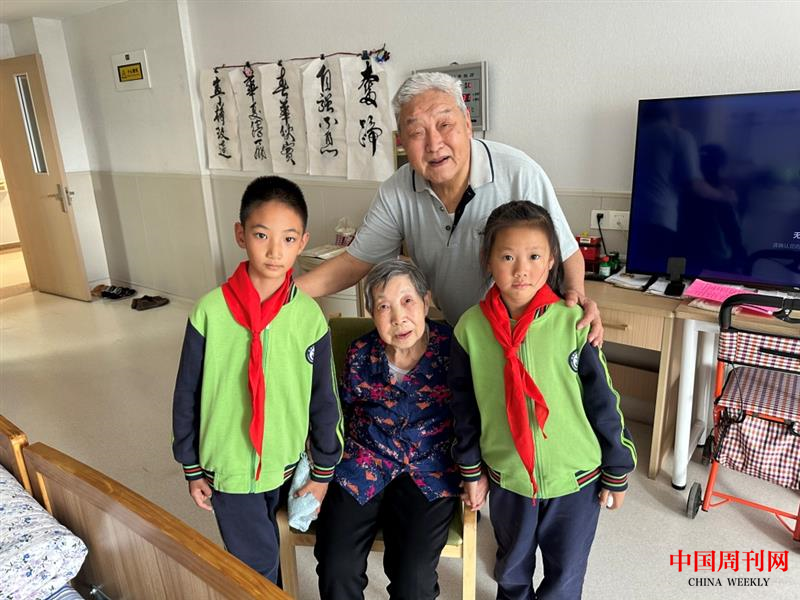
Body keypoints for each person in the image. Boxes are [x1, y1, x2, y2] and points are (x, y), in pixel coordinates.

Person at [295, 71, 603, 344]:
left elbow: (566, 252)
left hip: (526, 334)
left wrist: (577, 299)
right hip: (462, 334)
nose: (434, 144)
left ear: (467, 123)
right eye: (417, 133)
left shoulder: (520, 173)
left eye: (445, 124)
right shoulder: (396, 191)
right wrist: (284, 294)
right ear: (402, 141)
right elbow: (354, 263)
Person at [449, 201, 636, 600]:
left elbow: (603, 399)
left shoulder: (575, 323)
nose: (521, 269)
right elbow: (464, 409)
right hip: (509, 478)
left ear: (552, 260)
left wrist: (617, 468)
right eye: (507, 257)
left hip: (576, 479)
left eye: (534, 256)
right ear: (487, 260)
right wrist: (471, 470)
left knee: (565, 576)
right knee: (511, 571)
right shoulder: (470, 329)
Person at [172, 176, 343, 583]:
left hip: (284, 463)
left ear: (302, 243)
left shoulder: (309, 317)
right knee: (258, 565)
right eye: (261, 235)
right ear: (240, 234)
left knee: (274, 550)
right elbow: (186, 392)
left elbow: (324, 397)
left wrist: (323, 470)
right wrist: (191, 465)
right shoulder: (210, 311)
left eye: (288, 239)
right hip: (228, 467)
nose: (274, 251)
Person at [314, 259, 461, 600]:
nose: (398, 317)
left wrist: (473, 472)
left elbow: (471, 416)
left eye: (407, 301)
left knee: (414, 580)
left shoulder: (453, 349)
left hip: (429, 469)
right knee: (336, 565)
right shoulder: (360, 354)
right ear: (371, 313)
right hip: (364, 462)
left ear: (426, 301)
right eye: (384, 306)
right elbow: (339, 414)